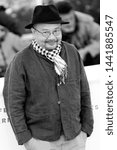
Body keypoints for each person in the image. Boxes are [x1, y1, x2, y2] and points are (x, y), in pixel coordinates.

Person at [3, 5, 93, 150]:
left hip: (75, 138)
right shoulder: (20, 60)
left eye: (56, 31)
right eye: (45, 32)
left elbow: (84, 92)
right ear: (33, 32)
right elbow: (13, 102)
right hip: (41, 141)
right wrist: (27, 140)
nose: (52, 37)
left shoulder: (72, 52)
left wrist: (86, 130)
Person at [55, 1, 100, 66]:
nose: (69, 23)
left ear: (73, 13)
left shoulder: (87, 22)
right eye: (64, 20)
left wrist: (86, 51)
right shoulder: (48, 29)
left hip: (86, 60)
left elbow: (105, 39)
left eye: (71, 18)